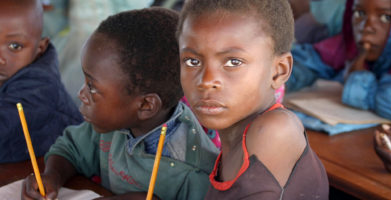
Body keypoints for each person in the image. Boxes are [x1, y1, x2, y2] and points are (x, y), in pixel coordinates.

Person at [21, 8, 219, 200]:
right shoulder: (114, 125)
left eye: (92, 87)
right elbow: (71, 149)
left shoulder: (195, 173)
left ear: (146, 106)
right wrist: (52, 176)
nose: (81, 94)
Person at [177, 0, 329, 199]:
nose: (206, 81)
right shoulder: (234, 138)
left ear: (278, 71)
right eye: (192, 61)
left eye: (233, 62)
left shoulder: (274, 131)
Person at [287, 0, 391, 127]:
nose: (366, 27)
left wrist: (359, 82)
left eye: (386, 17)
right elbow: (312, 59)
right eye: (359, 14)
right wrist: (282, 77)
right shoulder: (351, 45)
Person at [0, 0, 82, 163]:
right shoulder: (9, 70)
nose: (1, 59)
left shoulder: (39, 87)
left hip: (65, 174)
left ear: (40, 47)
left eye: (15, 46)